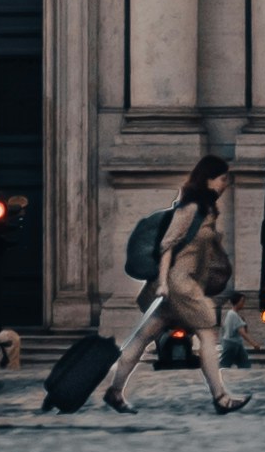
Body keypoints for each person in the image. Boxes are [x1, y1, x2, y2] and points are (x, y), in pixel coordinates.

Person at [97, 158, 246, 413]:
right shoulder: (190, 208)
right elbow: (167, 245)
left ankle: (114, 391)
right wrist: (163, 282)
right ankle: (220, 398)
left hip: (183, 286)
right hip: (180, 285)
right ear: (209, 179)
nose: (226, 184)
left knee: (142, 337)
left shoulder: (206, 210)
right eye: (223, 179)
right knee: (208, 334)